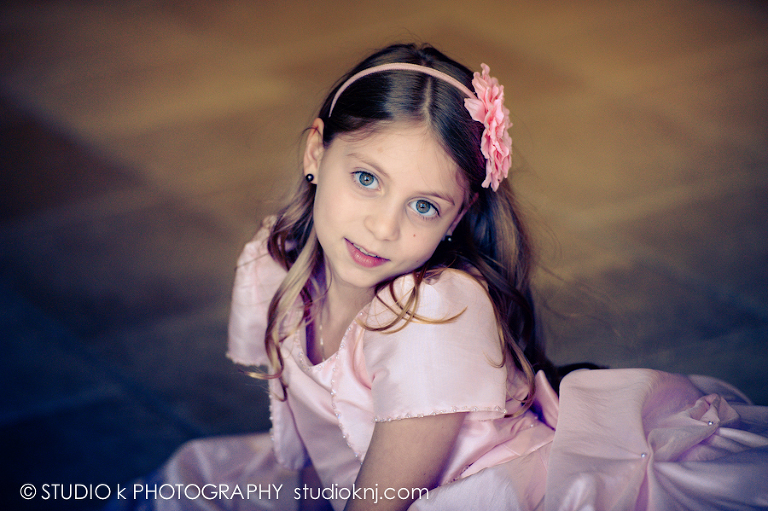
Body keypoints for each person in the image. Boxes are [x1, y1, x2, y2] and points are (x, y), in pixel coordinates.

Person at [111, 43, 768, 511]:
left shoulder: (433, 312)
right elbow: (312, 444)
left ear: (457, 216)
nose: (382, 227)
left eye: (423, 206)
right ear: (316, 151)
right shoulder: (276, 262)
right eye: (366, 178)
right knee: (192, 482)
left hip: (466, 496)